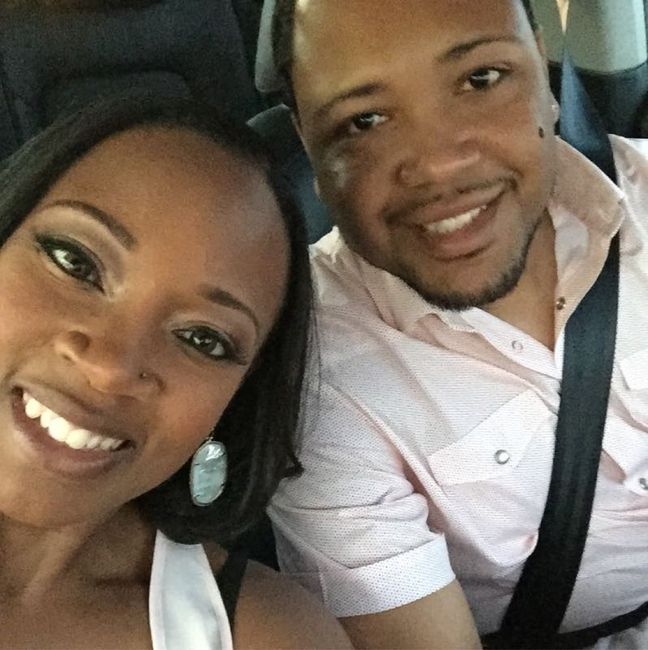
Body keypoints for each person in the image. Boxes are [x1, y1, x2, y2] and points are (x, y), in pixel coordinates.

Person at [266, 0, 648, 648]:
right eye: (364, 121)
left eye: (480, 79)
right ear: (308, 145)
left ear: (544, 73)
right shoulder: (318, 380)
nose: (439, 165)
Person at [0, 95, 352, 650]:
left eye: (202, 339)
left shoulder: (267, 637)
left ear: (233, 404)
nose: (111, 368)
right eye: (75, 262)